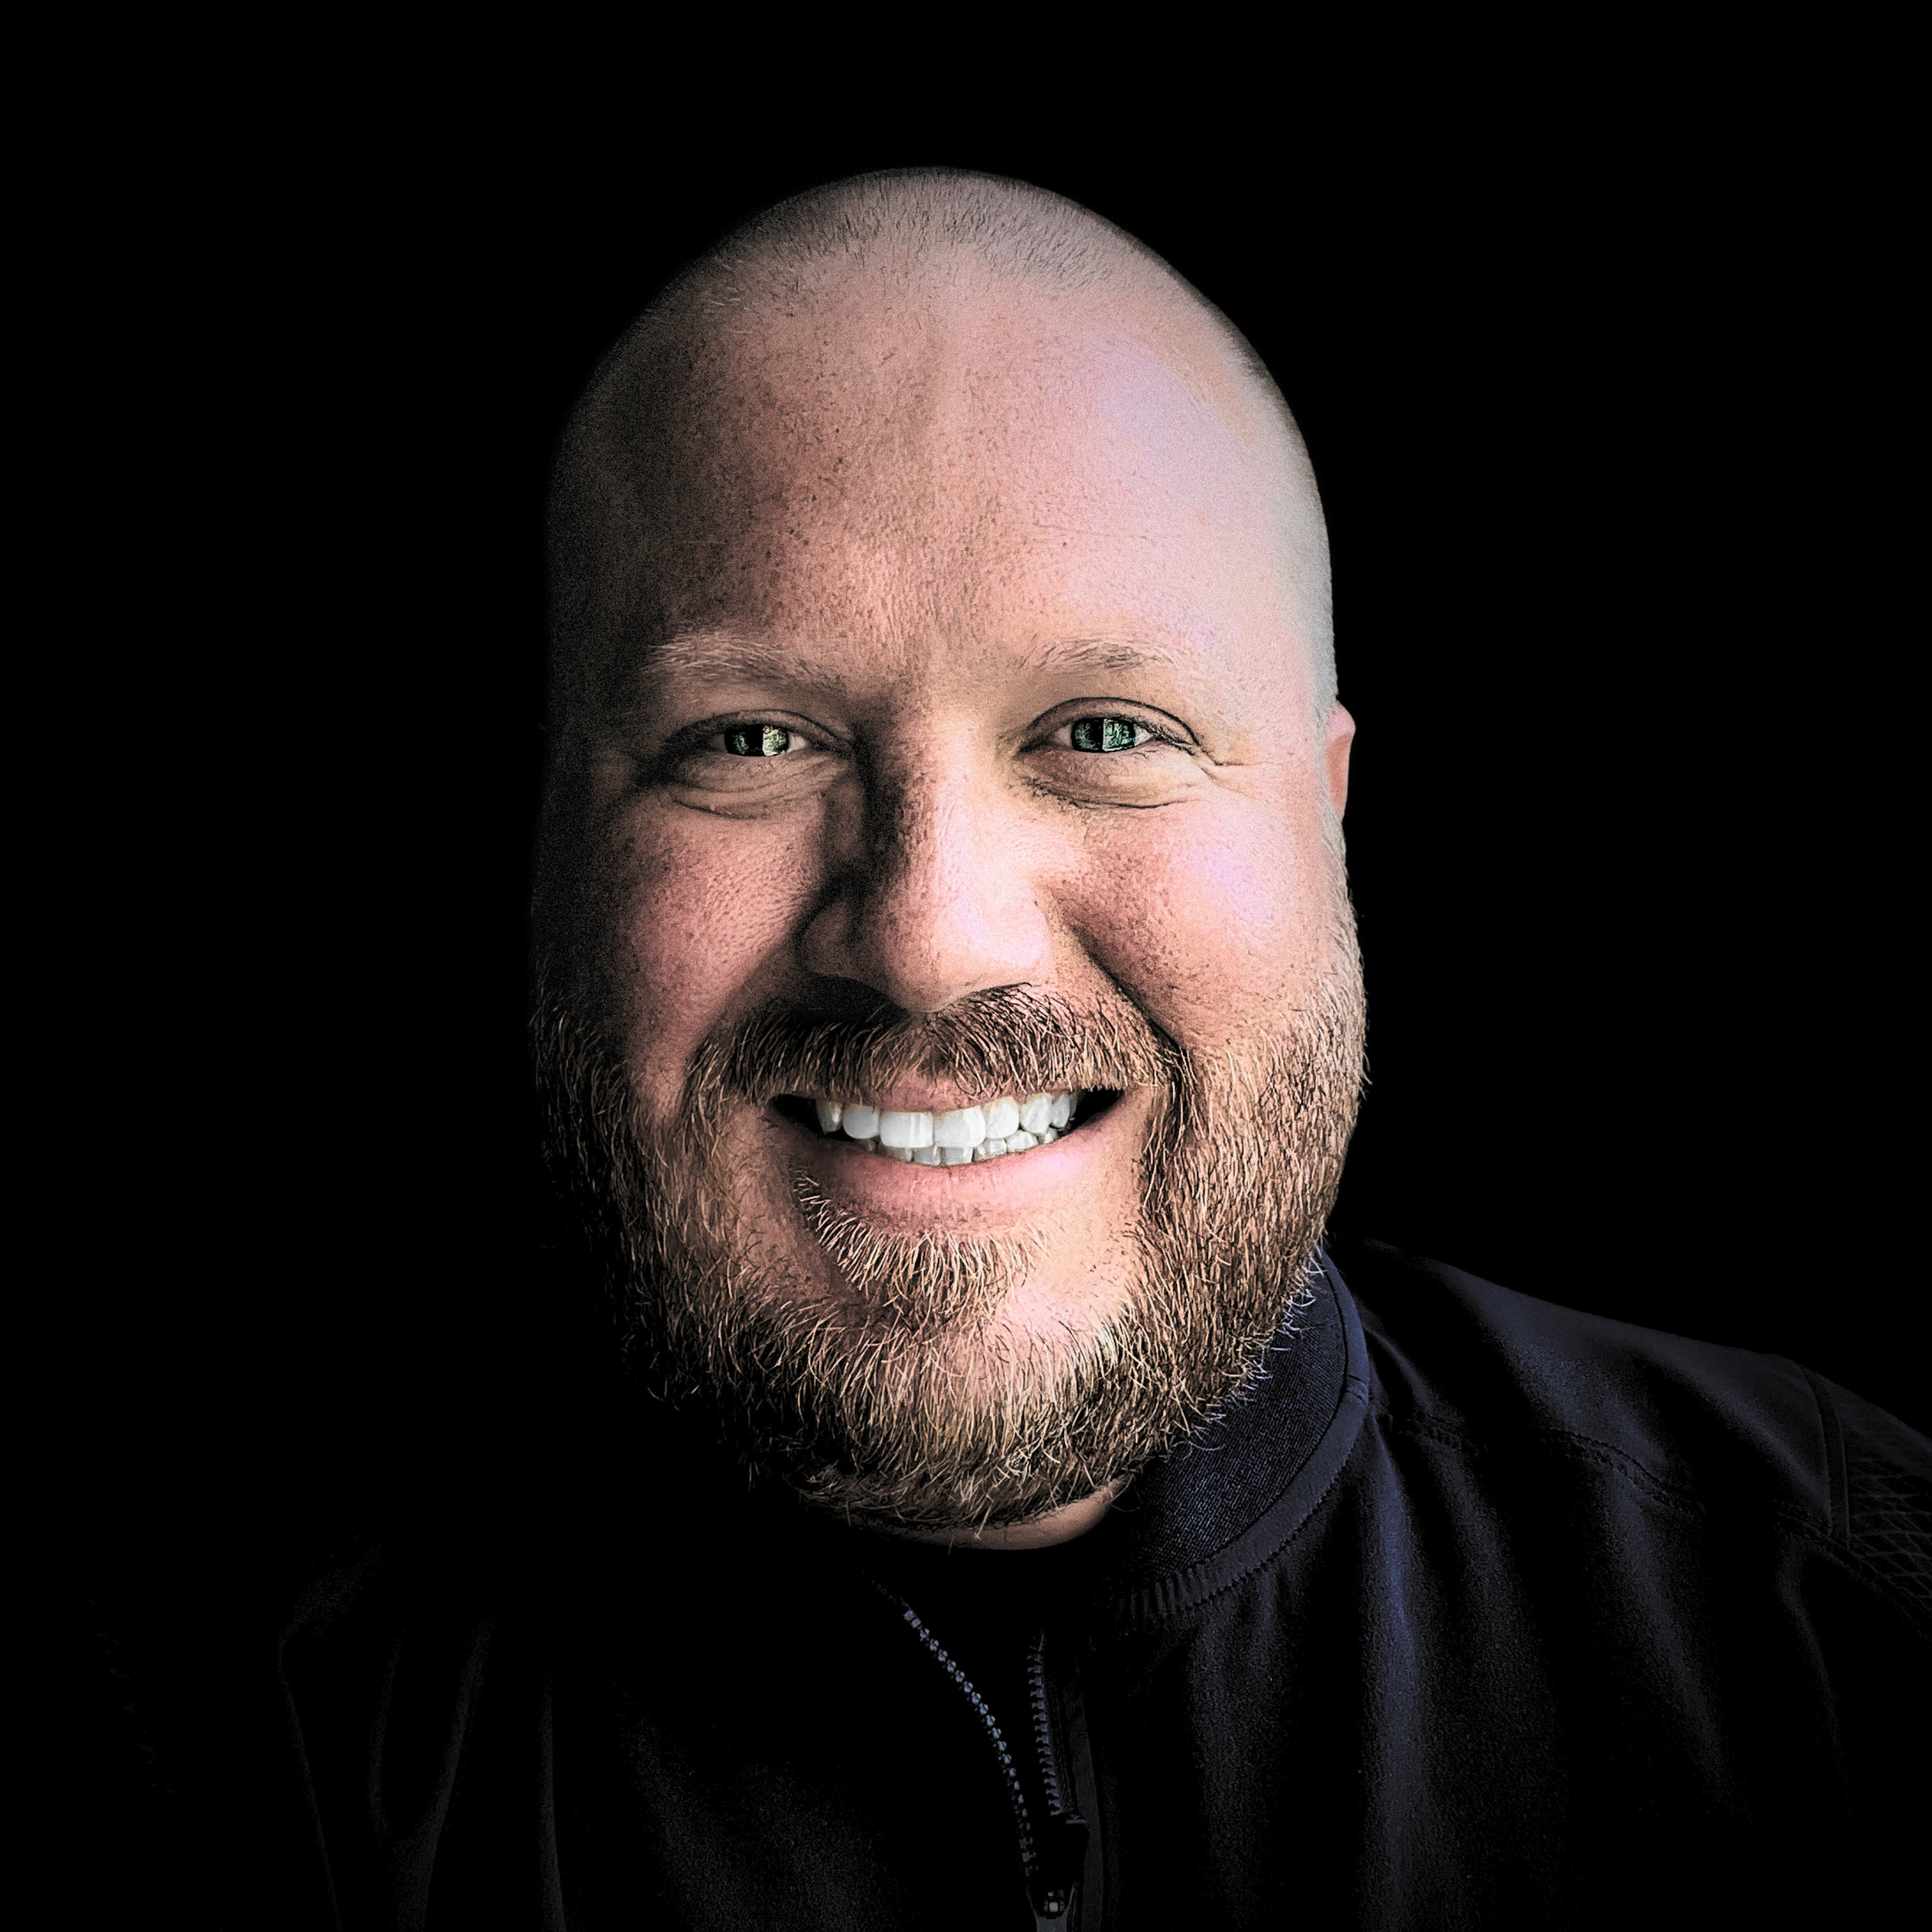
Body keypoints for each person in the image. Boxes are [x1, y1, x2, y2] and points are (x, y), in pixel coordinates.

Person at [134, 170, 1932, 1928]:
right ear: (545, 843)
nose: (928, 931)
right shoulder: (286, 1738)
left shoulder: (1838, 1623)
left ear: (1325, 819)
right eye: (751, 739)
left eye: (1101, 726)